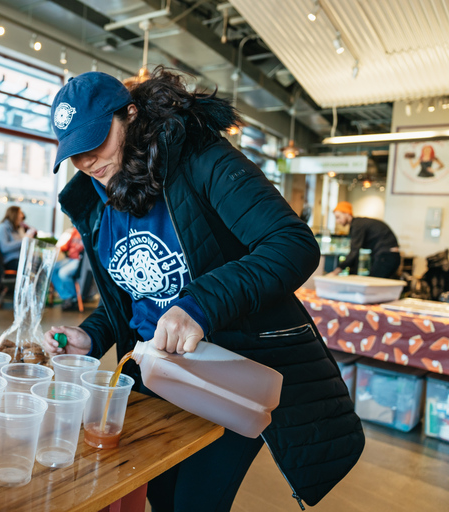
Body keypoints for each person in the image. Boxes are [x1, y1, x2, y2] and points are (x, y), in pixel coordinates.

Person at [41, 69, 364, 511]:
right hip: (154, 372)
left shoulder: (200, 159)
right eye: (75, 153)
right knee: (160, 494)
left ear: (130, 115)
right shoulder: (97, 199)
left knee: (195, 502)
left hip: (222, 370)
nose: (87, 162)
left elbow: (292, 244)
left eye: (97, 141)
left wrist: (200, 305)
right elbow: (141, 292)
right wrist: (93, 335)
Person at [329, 201, 401, 278]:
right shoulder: (359, 223)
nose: (337, 221)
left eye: (338, 217)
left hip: (386, 257)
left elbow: (354, 252)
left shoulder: (357, 225)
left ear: (347, 213)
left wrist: (335, 272)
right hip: (391, 256)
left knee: (373, 285)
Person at [52, 227, 84, 311]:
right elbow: (65, 246)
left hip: (80, 260)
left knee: (63, 273)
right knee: (51, 270)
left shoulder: (86, 231)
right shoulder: (75, 231)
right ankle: (66, 296)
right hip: (69, 258)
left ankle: (74, 297)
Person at [0, 206, 34, 271]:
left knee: (37, 262)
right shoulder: (3, 227)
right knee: (31, 267)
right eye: (20, 213)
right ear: (14, 215)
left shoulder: (17, 229)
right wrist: (23, 240)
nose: (22, 215)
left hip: (20, 259)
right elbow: (4, 247)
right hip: (10, 261)